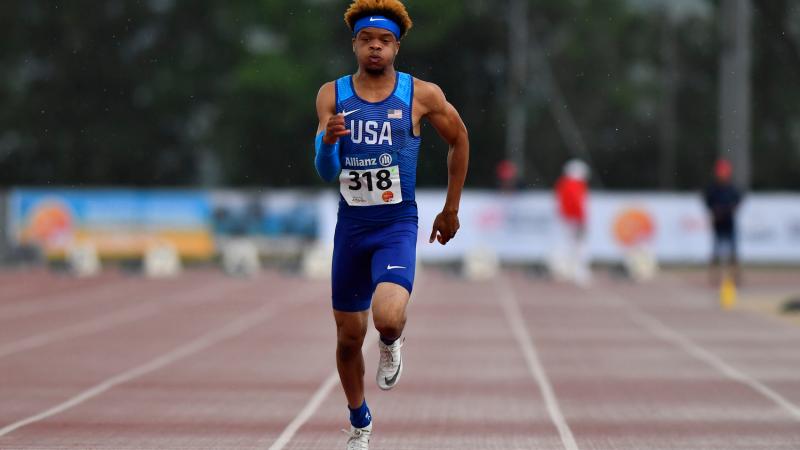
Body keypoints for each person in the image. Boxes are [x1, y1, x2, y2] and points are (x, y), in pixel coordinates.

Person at [313, 1, 469, 448]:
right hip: (352, 229)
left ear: (396, 47)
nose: (375, 48)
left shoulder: (421, 95)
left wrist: (451, 207)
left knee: (387, 316)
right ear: (355, 45)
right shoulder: (332, 94)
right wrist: (328, 143)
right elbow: (326, 171)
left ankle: (391, 341)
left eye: (383, 41)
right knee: (346, 338)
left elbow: (459, 140)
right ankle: (360, 422)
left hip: (396, 224)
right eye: (367, 40)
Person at [551, 159, 591, 286]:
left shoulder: (562, 183)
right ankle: (578, 272)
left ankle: (563, 270)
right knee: (579, 246)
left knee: (566, 245)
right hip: (574, 219)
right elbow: (577, 203)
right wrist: (581, 219)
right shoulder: (576, 185)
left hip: (565, 218)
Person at [704, 158, 743, 285]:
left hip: (729, 224)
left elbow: (738, 201)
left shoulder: (731, 188)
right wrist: (716, 212)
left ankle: (735, 278)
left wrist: (729, 209)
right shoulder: (713, 189)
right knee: (715, 253)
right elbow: (708, 203)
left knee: (733, 253)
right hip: (718, 224)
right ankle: (714, 278)